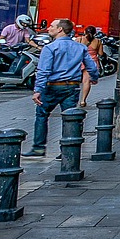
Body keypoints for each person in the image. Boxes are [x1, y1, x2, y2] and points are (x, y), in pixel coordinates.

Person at [25, 18, 100, 158]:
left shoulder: (50, 48)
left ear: (60, 29)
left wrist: (38, 91)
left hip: (52, 87)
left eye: (52, 26)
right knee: (70, 118)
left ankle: (39, 147)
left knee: (42, 115)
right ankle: (67, 149)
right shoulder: (80, 47)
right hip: (72, 87)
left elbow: (43, 71)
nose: (49, 28)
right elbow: (91, 66)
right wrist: (94, 78)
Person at [77, 25, 103, 107]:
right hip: (91, 62)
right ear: (95, 33)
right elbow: (100, 53)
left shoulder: (79, 39)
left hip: (80, 61)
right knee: (86, 82)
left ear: (85, 32)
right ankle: (83, 100)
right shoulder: (98, 41)